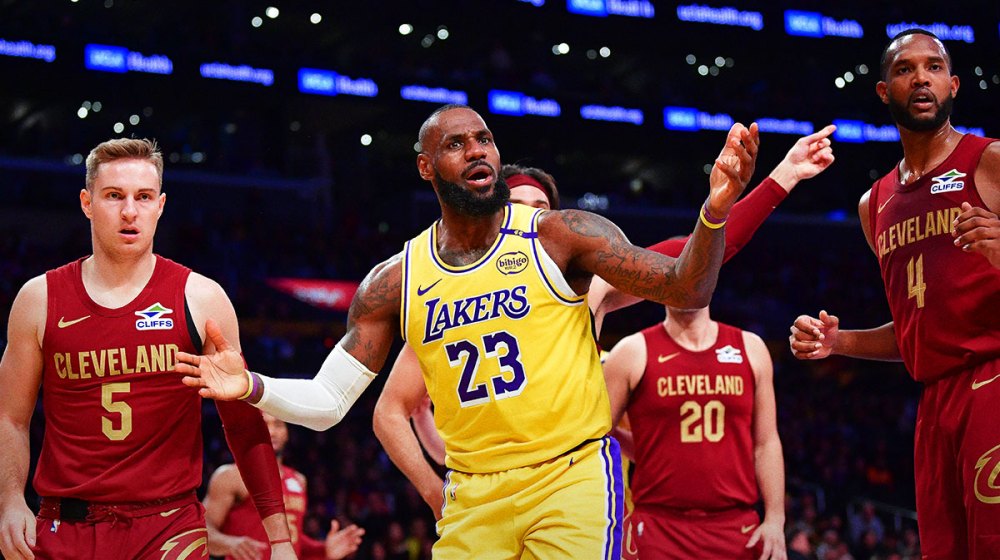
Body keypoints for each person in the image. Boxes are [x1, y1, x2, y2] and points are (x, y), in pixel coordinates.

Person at [175, 103, 758, 558]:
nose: (477, 152)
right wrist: (253, 385)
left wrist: (717, 209)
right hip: (473, 491)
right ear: (427, 168)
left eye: (484, 140)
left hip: (570, 476)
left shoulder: (560, 236)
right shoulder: (398, 280)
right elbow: (329, 402)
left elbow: (688, 287)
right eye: (456, 144)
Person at [393, 129, 837, 471]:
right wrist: (440, 484)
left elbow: (694, 256)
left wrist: (785, 175)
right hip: (489, 485)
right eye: (518, 204)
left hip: (569, 477)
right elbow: (400, 411)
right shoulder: (448, 295)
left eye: (540, 207)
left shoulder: (588, 280)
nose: (529, 214)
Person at [0, 138, 294, 560]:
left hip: (169, 530)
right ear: (87, 202)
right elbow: (10, 416)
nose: (129, 212)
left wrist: (280, 540)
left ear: (161, 205)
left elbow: (244, 426)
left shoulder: (202, 299)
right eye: (114, 196)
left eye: (143, 197)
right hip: (65, 527)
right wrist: (9, 501)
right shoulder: (39, 298)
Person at [789, 29, 1000, 559]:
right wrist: (840, 344)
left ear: (953, 85)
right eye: (906, 69)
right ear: (885, 91)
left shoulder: (989, 161)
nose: (921, 78)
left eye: (933, 67)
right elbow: (916, 329)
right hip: (933, 404)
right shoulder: (874, 203)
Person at [603, 303, 785, 560]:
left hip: (736, 526)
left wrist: (776, 519)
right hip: (660, 527)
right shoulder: (631, 352)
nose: (689, 284)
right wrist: (647, 450)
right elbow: (601, 433)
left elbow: (766, 442)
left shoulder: (750, 348)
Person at [204, 412, 365, 560]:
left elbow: (292, 539)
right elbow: (203, 530)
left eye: (278, 424)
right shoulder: (230, 476)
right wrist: (229, 543)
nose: (272, 431)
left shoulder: (298, 480)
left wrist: (323, 550)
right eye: (263, 424)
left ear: (287, 432)